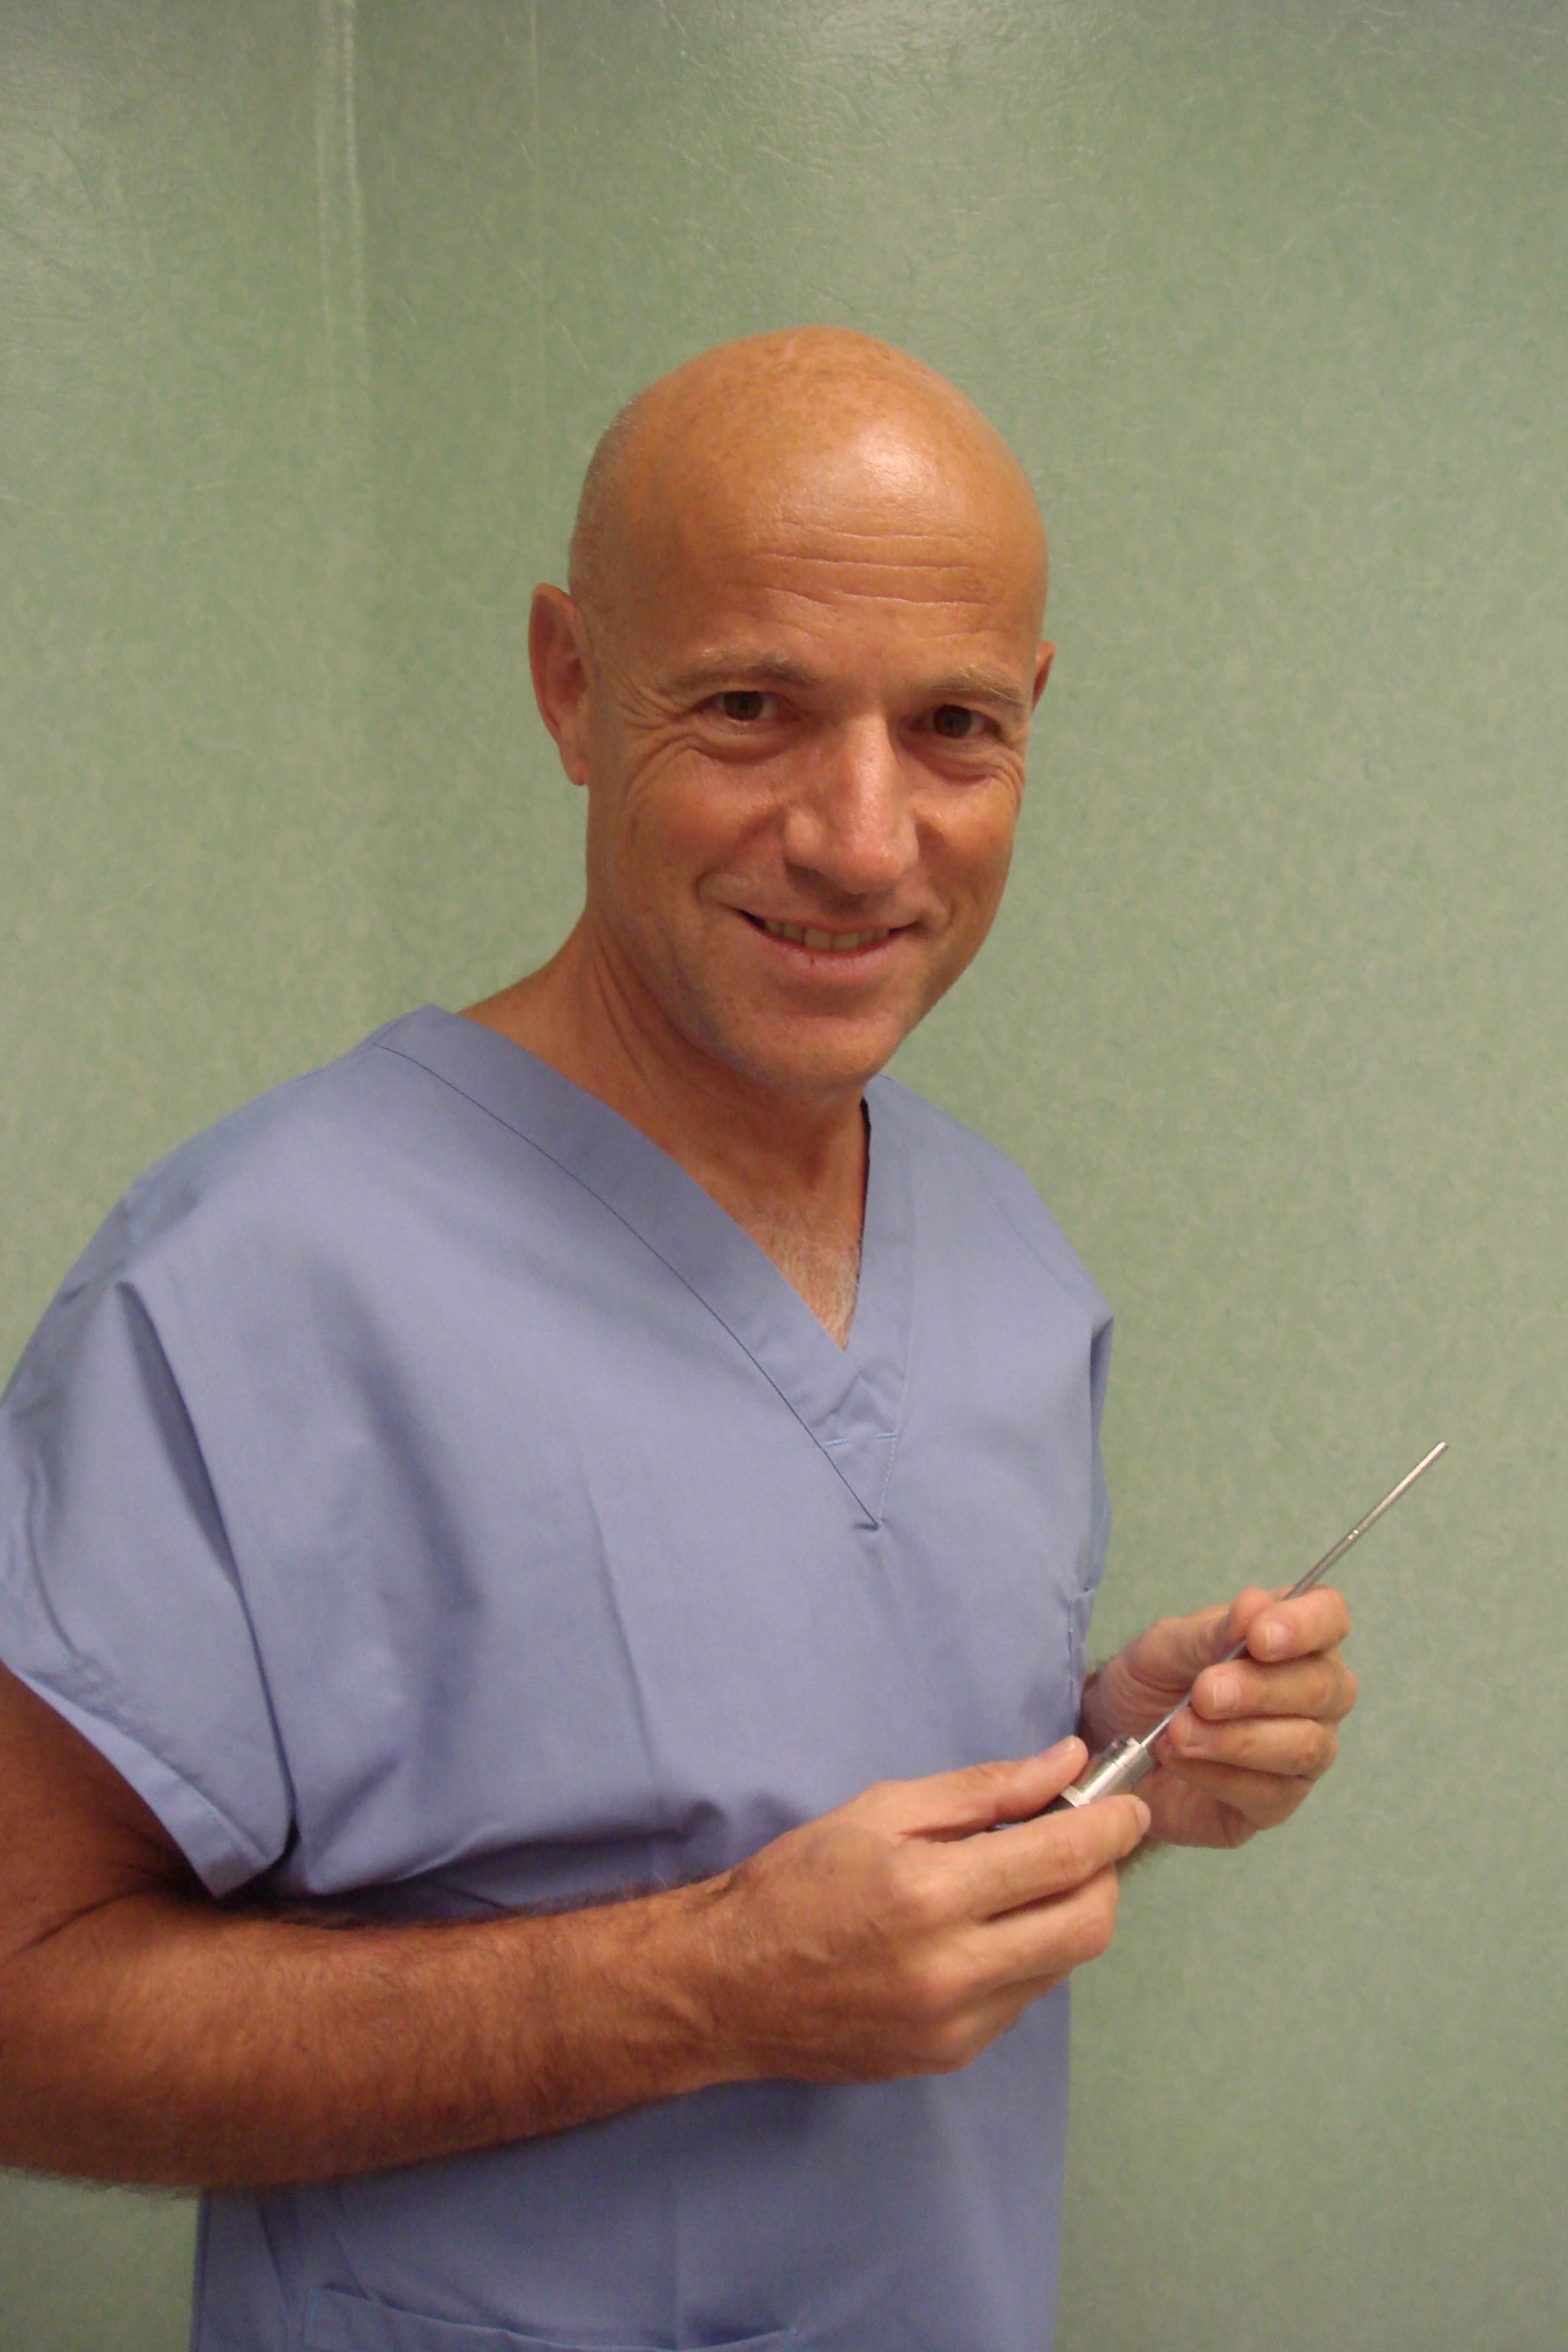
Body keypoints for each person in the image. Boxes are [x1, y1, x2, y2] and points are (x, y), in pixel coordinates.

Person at [0, 328, 1356, 2352]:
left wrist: (1118, 1764)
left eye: (955, 728)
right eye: (748, 707)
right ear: (570, 682)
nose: (864, 839)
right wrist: (711, 1985)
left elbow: (795, 1770)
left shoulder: (1012, 1260)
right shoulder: (251, 1284)